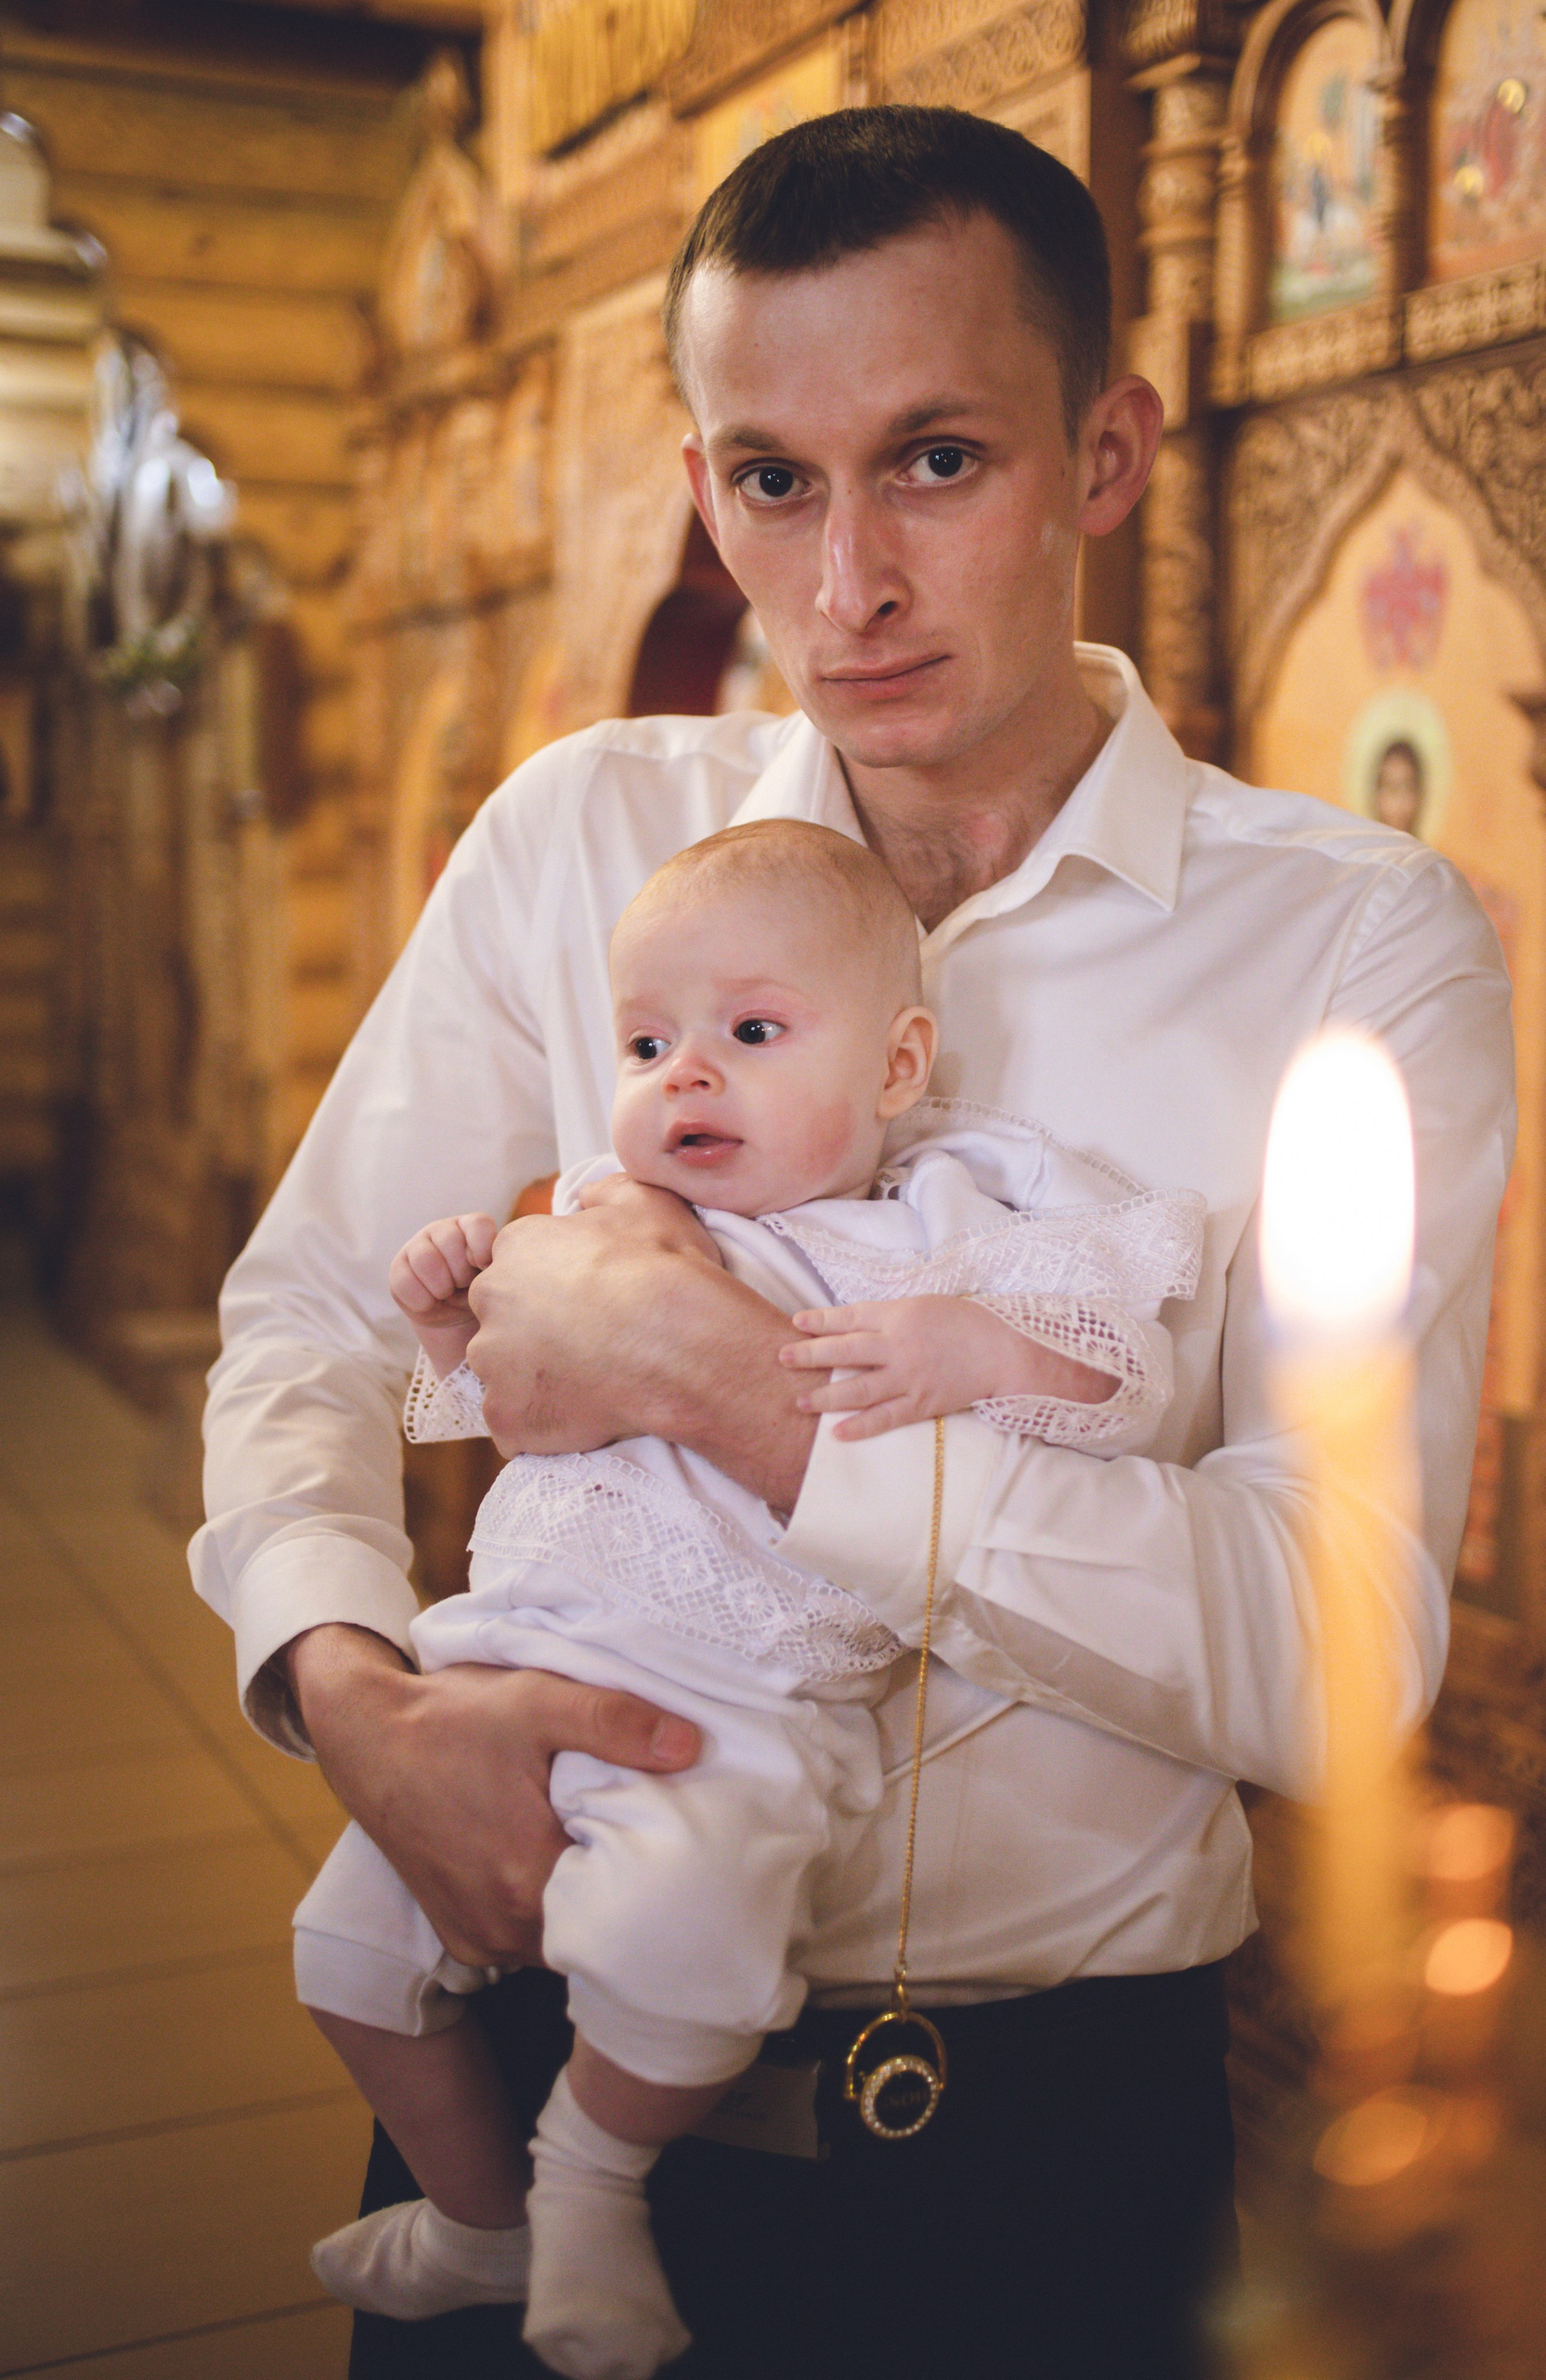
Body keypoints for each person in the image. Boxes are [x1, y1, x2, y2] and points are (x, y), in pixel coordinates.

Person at [195, 105, 1514, 2379]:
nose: (847, 586)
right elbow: (318, 1320)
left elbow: (1337, 1645)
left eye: (936, 460)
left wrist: (735, 1391)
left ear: (1106, 454)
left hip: (1037, 2144)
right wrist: (348, 1688)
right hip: (522, 2052)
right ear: (702, 489)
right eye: (774, 481)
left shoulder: (1348, 946)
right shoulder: (579, 841)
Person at [295, 816, 1202, 2379]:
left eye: (753, 1034)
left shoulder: (938, 1230)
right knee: (346, 1956)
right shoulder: (603, 1215)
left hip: (729, 1704)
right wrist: (452, 1319)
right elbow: (516, 1412)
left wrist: (974, 1348)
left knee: (682, 1951)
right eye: (648, 1044)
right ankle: (476, 2219)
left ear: (899, 1065)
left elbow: (1123, 1388)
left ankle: (587, 2183)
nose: (686, 1077)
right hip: (499, 1665)